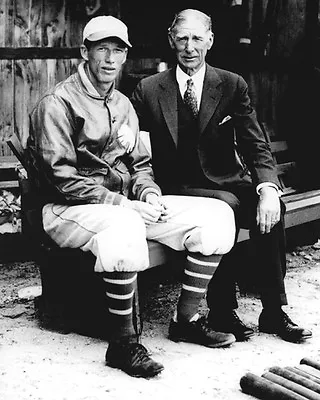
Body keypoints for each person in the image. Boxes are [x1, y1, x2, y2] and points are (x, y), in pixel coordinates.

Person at [26, 15, 238, 379]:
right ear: (85, 52)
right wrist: (123, 203)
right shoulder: (57, 102)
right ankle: (123, 344)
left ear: (125, 56)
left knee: (216, 214)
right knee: (123, 223)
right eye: (102, 49)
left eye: (118, 51)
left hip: (121, 205)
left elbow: (140, 163)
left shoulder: (124, 104)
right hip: (64, 209)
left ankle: (185, 321)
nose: (110, 59)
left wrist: (149, 192)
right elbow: (60, 177)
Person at [131, 9, 312, 344]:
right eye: (182, 38)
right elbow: (138, 152)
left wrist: (269, 188)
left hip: (224, 180)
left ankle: (273, 311)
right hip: (176, 189)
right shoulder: (148, 89)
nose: (189, 46)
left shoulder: (231, 84)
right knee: (225, 207)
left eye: (197, 38)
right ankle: (222, 311)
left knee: (271, 208)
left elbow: (255, 141)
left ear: (210, 41)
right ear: (171, 40)